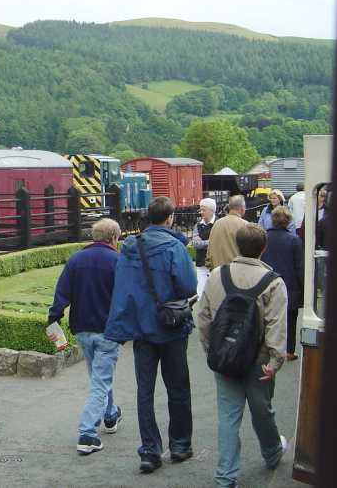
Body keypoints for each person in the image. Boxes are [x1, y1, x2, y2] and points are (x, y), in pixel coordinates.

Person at [105, 197, 197, 474]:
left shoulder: (130, 246)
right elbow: (188, 286)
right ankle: (180, 445)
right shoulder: (174, 247)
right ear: (169, 218)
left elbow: (122, 286)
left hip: (142, 330)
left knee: (144, 392)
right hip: (170, 328)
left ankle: (149, 451)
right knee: (177, 388)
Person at [195, 224, 289, 488]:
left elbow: (203, 317)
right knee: (262, 411)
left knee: (228, 416)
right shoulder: (274, 282)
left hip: (224, 358)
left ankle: (225, 477)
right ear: (264, 248)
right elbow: (276, 326)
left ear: (237, 245)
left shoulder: (217, 275)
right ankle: (272, 452)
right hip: (259, 361)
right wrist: (275, 361)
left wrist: (211, 350)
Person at [47, 218, 123, 455]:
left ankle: (110, 414)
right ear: (113, 238)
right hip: (107, 330)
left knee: (99, 377)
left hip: (82, 329)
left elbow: (61, 294)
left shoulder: (76, 259)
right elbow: (126, 297)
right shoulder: (117, 260)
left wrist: (53, 319)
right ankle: (87, 433)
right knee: (100, 381)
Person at [260, 206, 304, 360]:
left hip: (267, 282)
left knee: (267, 318)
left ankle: (267, 348)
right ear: (288, 221)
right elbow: (299, 267)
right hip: (289, 284)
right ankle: (289, 351)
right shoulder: (295, 240)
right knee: (290, 319)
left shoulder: (264, 237)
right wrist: (303, 288)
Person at [206, 195, 248, 269]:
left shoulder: (216, 224)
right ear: (242, 208)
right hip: (237, 271)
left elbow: (209, 252)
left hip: (217, 271)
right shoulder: (245, 225)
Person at [192, 198, 217, 298]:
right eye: (200, 209)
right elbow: (195, 244)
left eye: (203, 209)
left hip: (215, 263)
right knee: (201, 291)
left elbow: (219, 241)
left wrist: (203, 242)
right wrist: (210, 242)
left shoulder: (219, 223)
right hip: (201, 263)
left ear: (211, 210)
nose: (201, 212)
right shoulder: (197, 225)